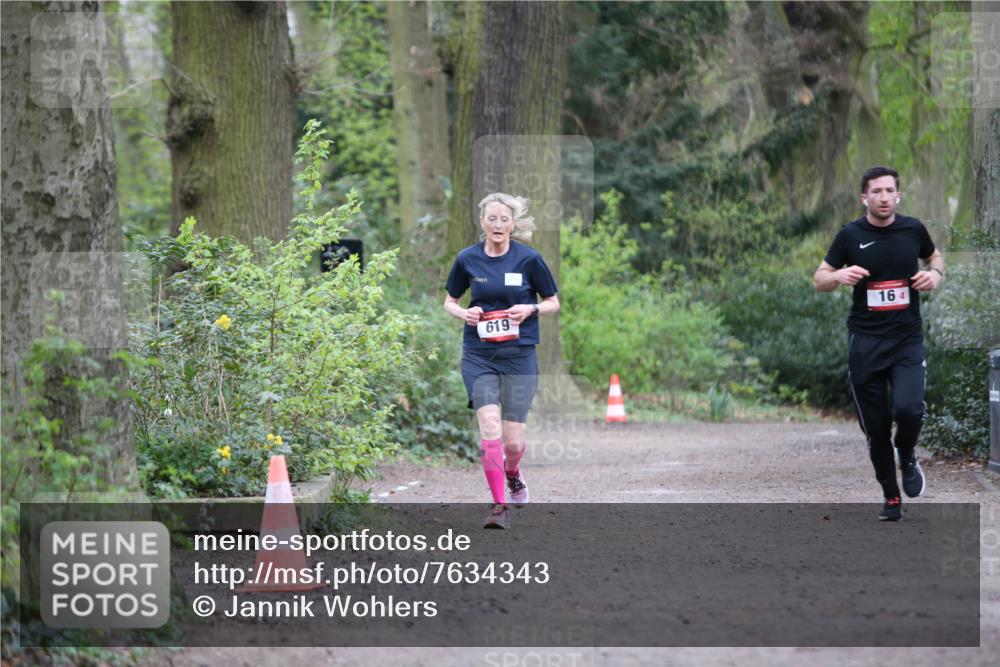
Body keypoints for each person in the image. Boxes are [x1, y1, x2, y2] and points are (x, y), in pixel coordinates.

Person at [813, 166, 944, 521]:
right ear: (864, 198)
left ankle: (907, 452)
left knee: (909, 409)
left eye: (890, 191)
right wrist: (838, 275)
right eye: (877, 192)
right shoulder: (850, 235)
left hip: (906, 340)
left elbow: (935, 257)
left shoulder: (913, 229)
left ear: (897, 195)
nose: (884, 197)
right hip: (866, 343)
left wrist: (934, 275)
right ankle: (890, 496)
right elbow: (819, 278)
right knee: (876, 429)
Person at [443, 193, 560, 529]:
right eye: (491, 219)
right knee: (490, 427)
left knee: (513, 441)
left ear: (513, 223)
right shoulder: (467, 259)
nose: (497, 225)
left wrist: (531, 309)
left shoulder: (529, 259)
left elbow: (553, 301)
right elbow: (449, 301)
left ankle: (512, 472)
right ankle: (498, 507)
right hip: (479, 356)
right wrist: (464, 312)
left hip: (520, 356)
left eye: (503, 219)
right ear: (482, 222)